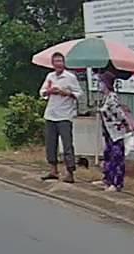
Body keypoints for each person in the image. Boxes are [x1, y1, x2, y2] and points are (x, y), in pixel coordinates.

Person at [39, 52, 81, 183]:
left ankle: (70, 172)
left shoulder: (70, 77)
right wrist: (49, 91)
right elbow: (42, 92)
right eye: (56, 61)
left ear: (64, 63)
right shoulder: (50, 76)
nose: (58, 64)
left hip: (65, 115)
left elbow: (79, 93)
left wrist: (66, 93)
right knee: (50, 144)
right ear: (52, 63)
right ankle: (53, 170)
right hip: (51, 113)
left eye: (60, 61)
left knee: (67, 144)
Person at [97, 72, 133, 192]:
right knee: (108, 155)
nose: (99, 85)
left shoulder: (112, 97)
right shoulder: (105, 97)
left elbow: (118, 113)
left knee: (116, 156)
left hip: (116, 131)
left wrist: (127, 124)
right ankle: (107, 179)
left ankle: (116, 183)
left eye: (101, 82)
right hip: (108, 131)